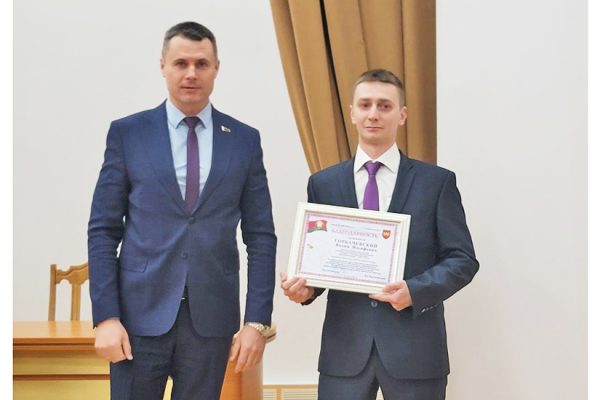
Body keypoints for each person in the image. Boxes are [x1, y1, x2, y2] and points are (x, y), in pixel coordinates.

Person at [88, 21, 276, 400]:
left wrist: (257, 321)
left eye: (201, 64)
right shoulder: (128, 134)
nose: (191, 73)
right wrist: (106, 317)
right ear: (163, 66)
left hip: (211, 322)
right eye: (181, 63)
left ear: (216, 68)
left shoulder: (243, 140)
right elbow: (103, 230)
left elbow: (260, 237)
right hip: (138, 319)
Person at [281, 69, 478, 400]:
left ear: (402, 115)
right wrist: (305, 289)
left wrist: (415, 291)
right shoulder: (324, 184)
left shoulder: (436, 183)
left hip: (415, 351)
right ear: (352, 113)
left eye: (384, 106)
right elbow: (323, 261)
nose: (374, 114)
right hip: (344, 351)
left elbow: (462, 260)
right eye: (365, 105)